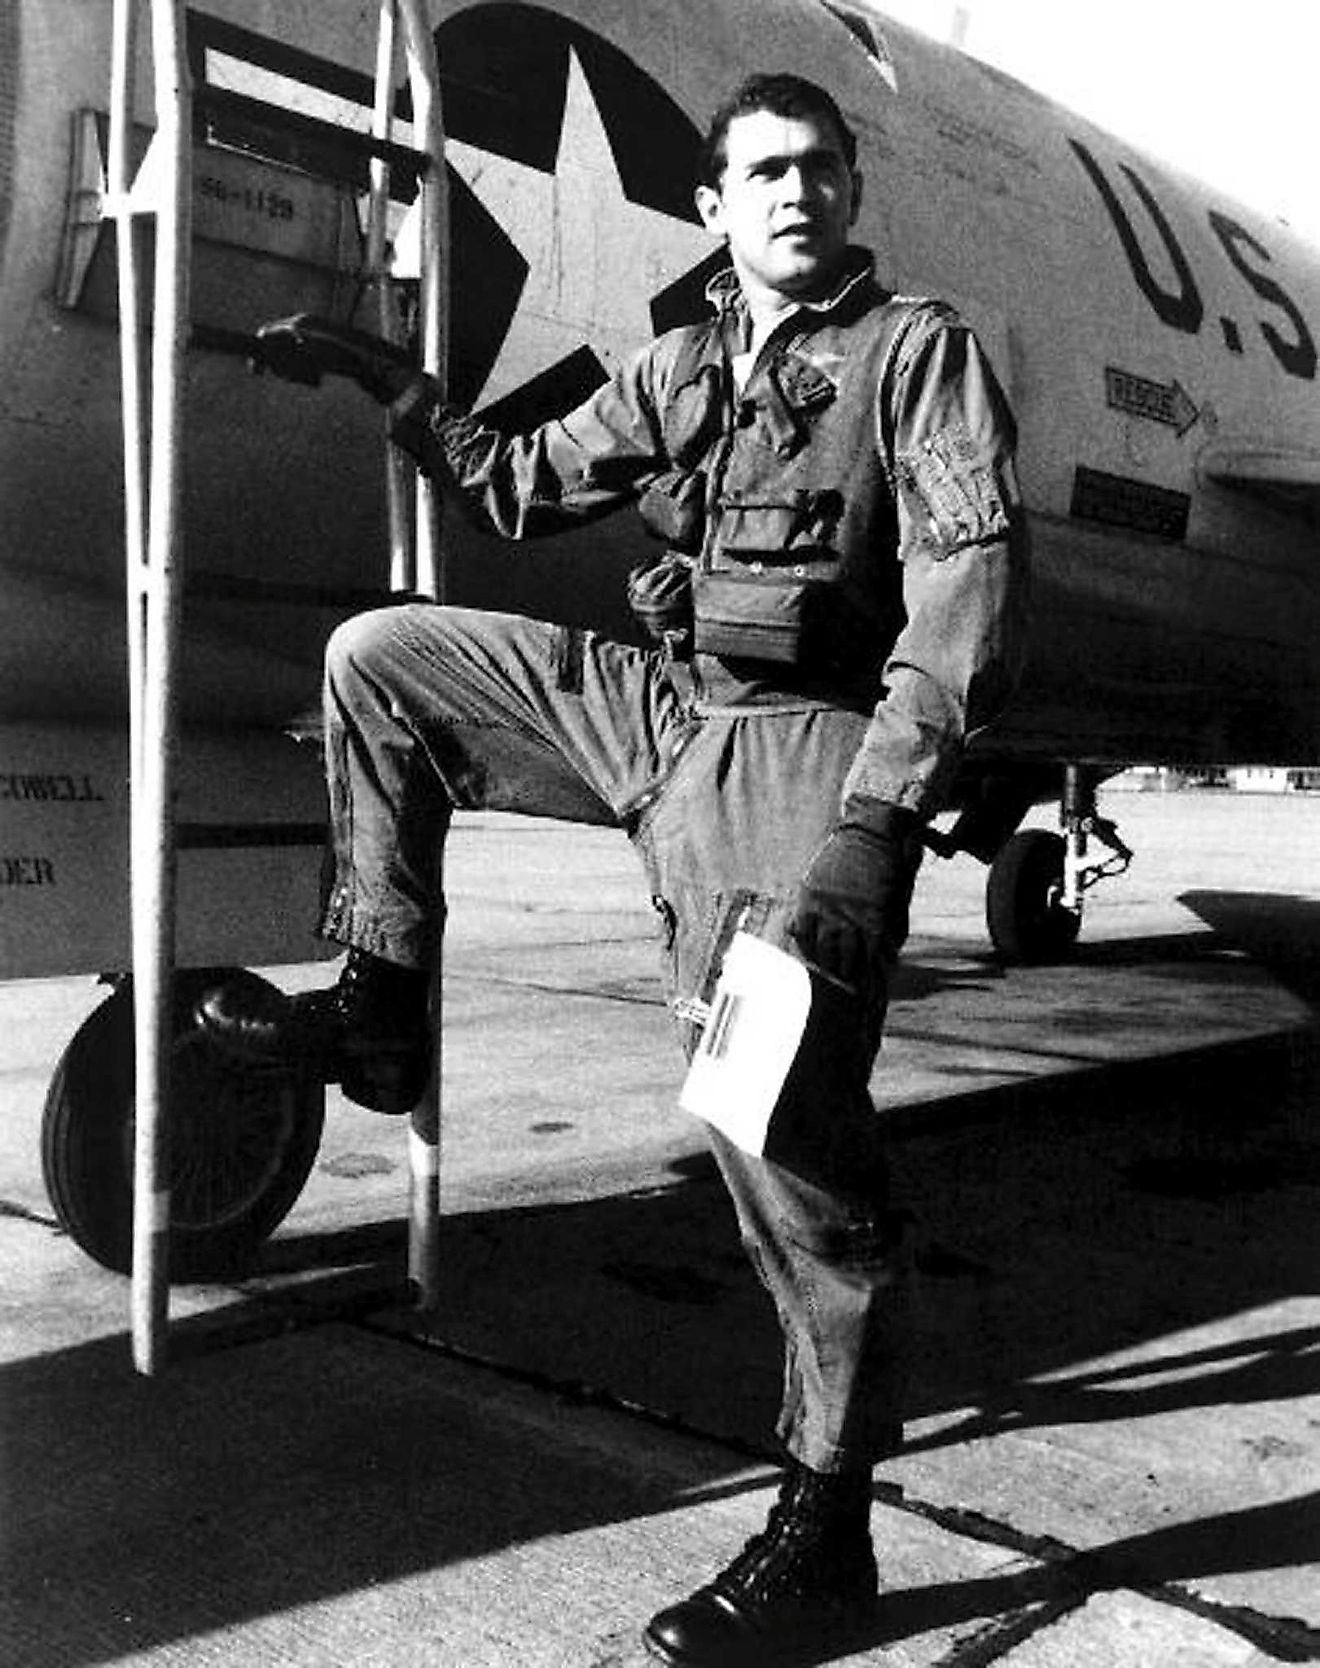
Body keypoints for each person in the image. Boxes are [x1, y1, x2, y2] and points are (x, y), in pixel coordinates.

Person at [202, 71, 1028, 1666]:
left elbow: (966, 604)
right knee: (383, 655)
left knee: (773, 1120)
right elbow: (517, 487)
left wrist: (874, 828)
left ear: (852, 194)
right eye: (762, 174)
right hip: (657, 707)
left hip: (800, 744)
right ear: (714, 208)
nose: (795, 193)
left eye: (820, 170)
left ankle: (830, 1520)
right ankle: (379, 997)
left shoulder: (917, 354)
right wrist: (400, 387)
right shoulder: (689, 361)